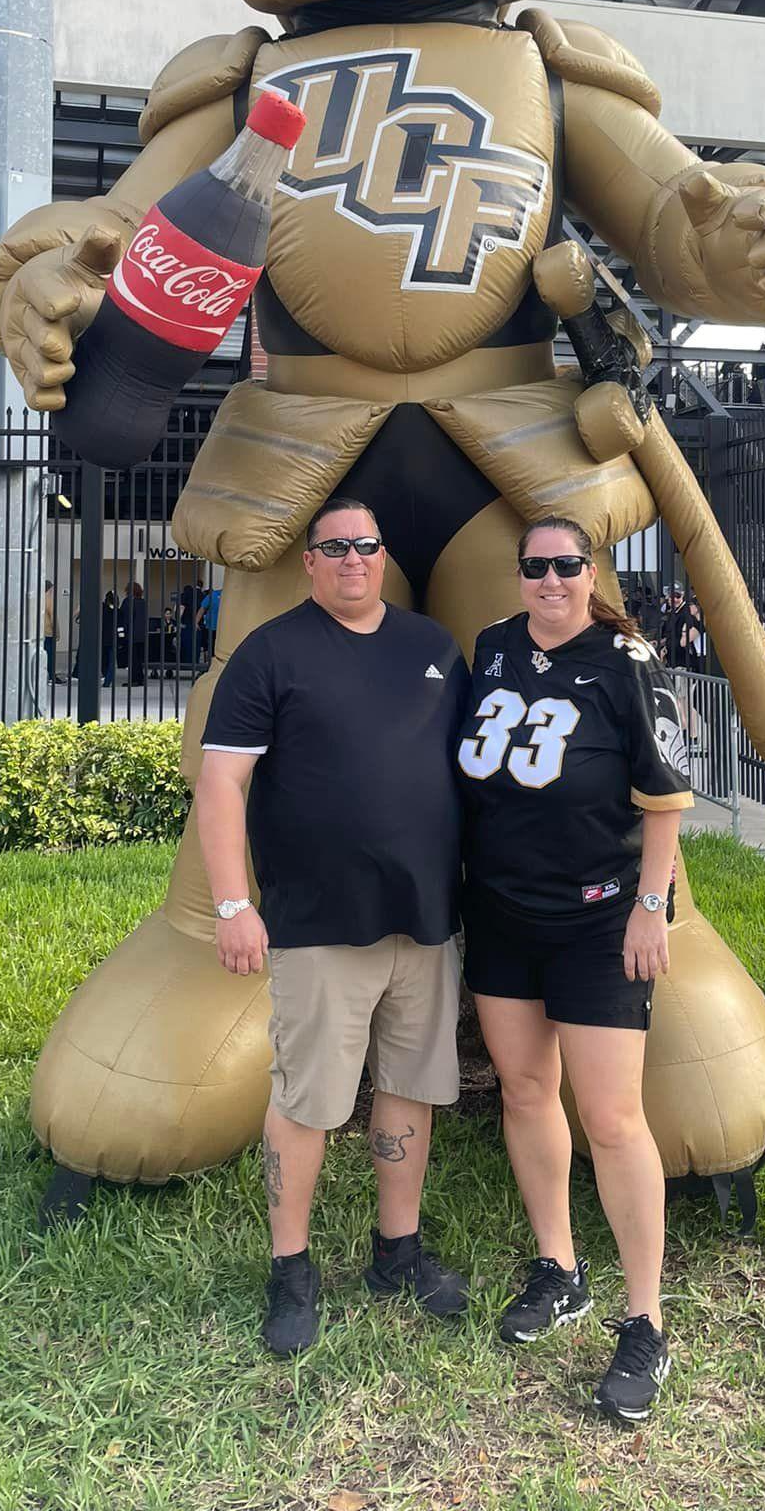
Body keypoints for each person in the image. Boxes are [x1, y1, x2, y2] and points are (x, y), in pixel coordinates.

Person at [196, 498, 472, 1358]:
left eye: (367, 545)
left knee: (411, 1087)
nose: (354, 558)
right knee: (308, 1100)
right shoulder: (270, 653)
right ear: (310, 561)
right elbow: (220, 783)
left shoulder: (434, 649)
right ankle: (291, 1268)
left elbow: (476, 772)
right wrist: (234, 905)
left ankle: (398, 1252)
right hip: (318, 925)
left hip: (425, 920)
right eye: (336, 547)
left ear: (384, 556)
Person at [455, 515, 692, 1423]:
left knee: (613, 1117)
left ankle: (646, 1320)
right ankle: (559, 1267)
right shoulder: (492, 647)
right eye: (535, 567)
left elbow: (665, 798)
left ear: (592, 572)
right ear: (517, 573)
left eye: (566, 566)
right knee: (524, 1090)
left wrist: (651, 904)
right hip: (502, 910)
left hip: (597, 918)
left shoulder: (628, 662)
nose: (550, 581)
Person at [127, 582, 148, 687]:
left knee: (133, 659)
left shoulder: (129, 602)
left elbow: (126, 618)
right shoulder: (143, 603)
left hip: (132, 634)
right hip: (142, 635)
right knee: (139, 659)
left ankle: (134, 679)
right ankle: (141, 679)